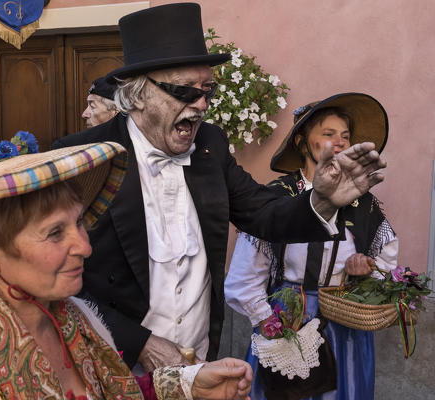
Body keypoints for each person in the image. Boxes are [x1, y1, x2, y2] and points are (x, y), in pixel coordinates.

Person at [52, 3, 387, 373]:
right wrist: (138, 342)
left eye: (207, 90)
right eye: (185, 91)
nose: (201, 105)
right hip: (113, 366)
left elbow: (262, 212)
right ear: (138, 95)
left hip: (198, 364)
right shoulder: (83, 158)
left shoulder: (209, 145)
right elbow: (57, 280)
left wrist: (321, 200)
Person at [0, 136, 253, 399]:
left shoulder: (70, 319)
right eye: (55, 233)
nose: (85, 247)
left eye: (78, 223)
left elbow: (108, 392)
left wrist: (188, 385)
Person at [224, 93, 398, 399]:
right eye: (329, 134)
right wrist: (267, 321)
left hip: (344, 330)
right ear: (302, 141)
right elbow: (244, 276)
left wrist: (364, 273)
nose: (340, 142)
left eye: (345, 136)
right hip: (287, 319)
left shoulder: (362, 202)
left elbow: (385, 263)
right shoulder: (277, 200)